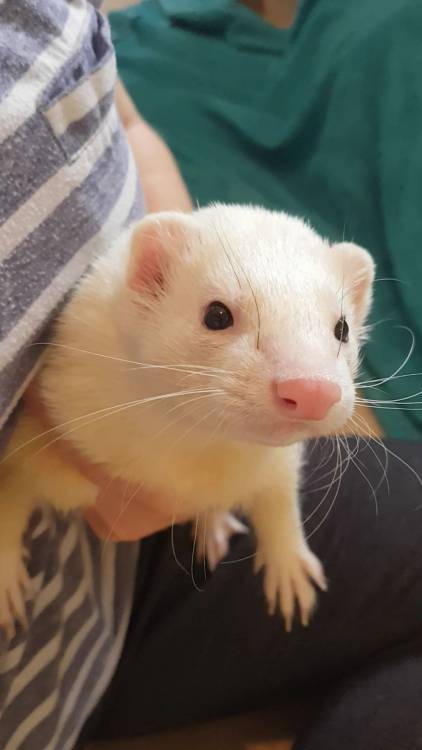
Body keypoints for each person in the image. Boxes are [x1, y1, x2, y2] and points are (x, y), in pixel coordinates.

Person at [1, 3, 422, 750]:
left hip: (170, 503)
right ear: (148, 284)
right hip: (68, 656)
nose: (314, 384)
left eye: (338, 331)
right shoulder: (78, 399)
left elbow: (274, 467)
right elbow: (23, 470)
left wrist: (281, 546)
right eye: (221, 320)